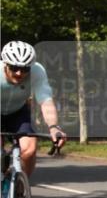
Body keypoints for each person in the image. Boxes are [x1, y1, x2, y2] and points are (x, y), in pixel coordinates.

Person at [1, 41, 67, 177]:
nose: (19, 73)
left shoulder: (37, 71)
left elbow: (46, 100)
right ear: (5, 64)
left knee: (29, 149)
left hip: (18, 111)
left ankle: (20, 187)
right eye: (14, 67)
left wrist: (54, 127)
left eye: (25, 69)